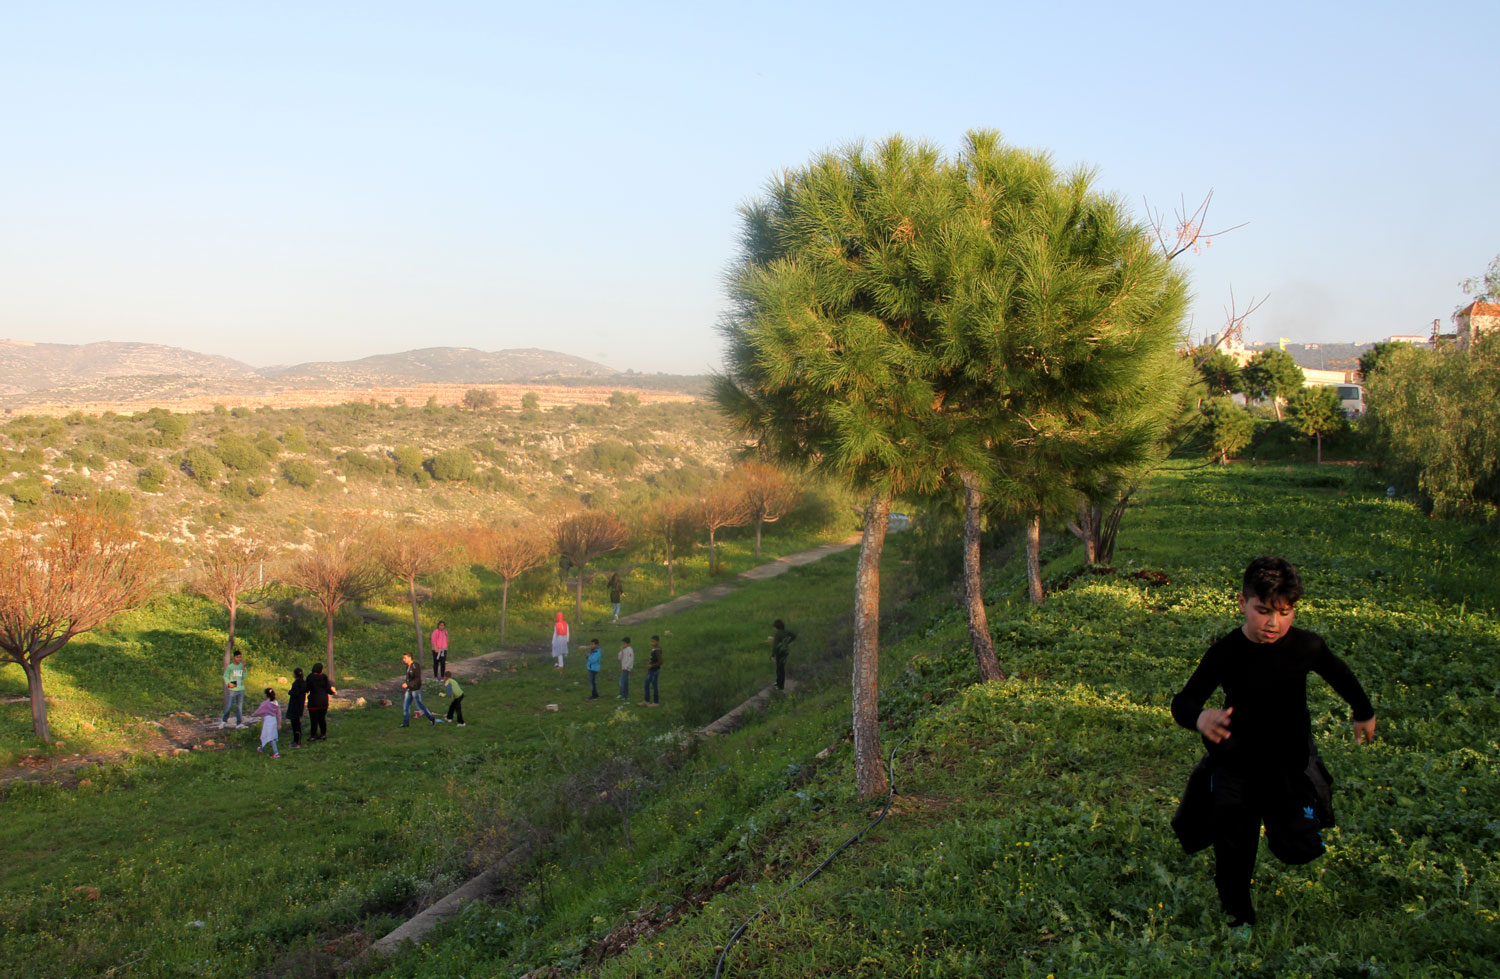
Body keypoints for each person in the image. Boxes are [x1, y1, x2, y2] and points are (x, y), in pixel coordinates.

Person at [1170, 556, 1377, 930]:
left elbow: (1340, 675)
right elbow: (1184, 701)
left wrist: (1363, 711)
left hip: (1287, 764)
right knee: (1234, 848)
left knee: (1296, 847)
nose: (1273, 623)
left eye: (1284, 612)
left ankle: (1289, 833)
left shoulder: (1306, 647)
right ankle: (1239, 917)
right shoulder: (1226, 652)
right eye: (1262, 610)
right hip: (1235, 765)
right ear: (1241, 603)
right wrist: (1200, 717)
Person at [400, 652, 438, 727]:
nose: (403, 660)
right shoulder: (407, 667)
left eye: (405, 658)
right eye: (403, 658)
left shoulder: (415, 666)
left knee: (420, 706)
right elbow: (409, 678)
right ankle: (406, 723)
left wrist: (408, 684)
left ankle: (432, 718)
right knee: (406, 706)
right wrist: (407, 685)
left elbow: (417, 679)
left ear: (410, 658)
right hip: (409, 689)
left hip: (415, 690)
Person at [304, 663, 335, 741]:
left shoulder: (310, 677)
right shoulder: (324, 677)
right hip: (323, 701)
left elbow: (306, 688)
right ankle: (323, 734)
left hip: (313, 701)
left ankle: (313, 735)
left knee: (313, 720)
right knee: (322, 719)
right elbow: (328, 689)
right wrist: (333, 692)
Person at [249, 688, 282, 759]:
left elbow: (259, 711)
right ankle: (261, 748)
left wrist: (253, 715)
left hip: (268, 721)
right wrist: (279, 723)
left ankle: (276, 753)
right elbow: (279, 714)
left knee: (268, 736)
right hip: (274, 720)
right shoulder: (276, 702)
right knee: (270, 735)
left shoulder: (265, 703)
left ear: (266, 695)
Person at [220, 648, 247, 728]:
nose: (239, 659)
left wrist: (244, 668)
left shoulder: (242, 666)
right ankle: (224, 721)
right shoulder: (230, 667)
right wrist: (229, 684)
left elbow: (244, 676)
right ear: (234, 658)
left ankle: (239, 723)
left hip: (241, 689)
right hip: (233, 689)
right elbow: (225, 676)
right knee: (229, 706)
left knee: (239, 706)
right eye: (237, 657)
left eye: (240, 657)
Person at [771, 619, 796, 691]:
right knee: (781, 668)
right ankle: (778, 682)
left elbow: (775, 646)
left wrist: (772, 655)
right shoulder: (786, 632)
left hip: (779, 653)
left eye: (774, 627)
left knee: (779, 669)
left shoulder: (777, 634)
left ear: (776, 627)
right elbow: (793, 636)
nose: (774, 628)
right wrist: (788, 642)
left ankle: (780, 686)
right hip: (785, 652)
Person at [286, 667, 307, 748]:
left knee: (295, 725)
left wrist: (289, 692)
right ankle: (297, 740)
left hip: (294, 705)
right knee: (297, 723)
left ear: (295, 675)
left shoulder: (296, 684)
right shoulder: (304, 683)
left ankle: (296, 742)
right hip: (300, 705)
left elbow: (295, 693)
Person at [642, 635, 662, 706]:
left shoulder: (657, 650)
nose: (651, 643)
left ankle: (656, 702)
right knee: (646, 684)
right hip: (651, 670)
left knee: (654, 686)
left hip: (655, 671)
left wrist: (652, 665)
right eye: (651, 641)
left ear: (657, 642)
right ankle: (646, 701)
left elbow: (660, 662)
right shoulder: (654, 649)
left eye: (653, 641)